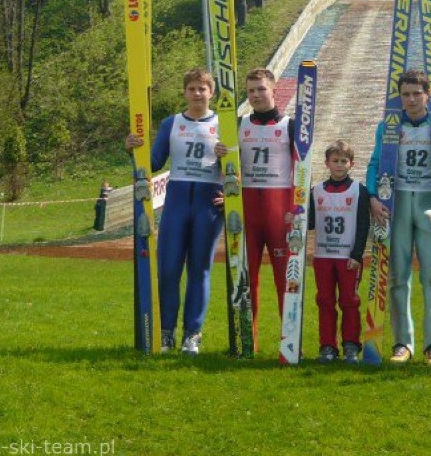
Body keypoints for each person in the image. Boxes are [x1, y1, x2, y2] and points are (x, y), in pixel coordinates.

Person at [366, 69, 431, 367]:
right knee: (397, 276)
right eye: (406, 94)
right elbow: (374, 163)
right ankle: (402, 343)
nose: (411, 99)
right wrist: (374, 196)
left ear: (428, 94)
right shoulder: (388, 126)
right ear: (400, 97)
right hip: (397, 203)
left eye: (417, 93)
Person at [125, 68, 224, 356]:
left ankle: (192, 334)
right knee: (168, 269)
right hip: (177, 201)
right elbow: (153, 161)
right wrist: (132, 149)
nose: (197, 94)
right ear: (185, 92)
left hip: (208, 204)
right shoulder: (171, 123)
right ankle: (166, 332)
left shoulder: (224, 124)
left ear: (211, 92)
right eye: (192, 88)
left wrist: (229, 169)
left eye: (202, 89)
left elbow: (236, 169)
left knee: (199, 270)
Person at [216, 68, 294, 352]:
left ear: (274, 90)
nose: (256, 95)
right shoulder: (238, 124)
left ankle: (290, 343)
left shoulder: (290, 125)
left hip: (279, 211)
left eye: (261, 89)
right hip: (246, 210)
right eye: (251, 91)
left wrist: (297, 209)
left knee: (285, 280)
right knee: (245, 279)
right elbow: (223, 167)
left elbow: (302, 169)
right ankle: (246, 342)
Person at [286, 140, 370, 364]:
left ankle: (351, 345)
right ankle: (327, 346)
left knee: (349, 300)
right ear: (327, 163)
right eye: (335, 161)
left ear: (351, 164)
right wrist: (295, 219)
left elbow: (363, 225)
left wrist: (357, 255)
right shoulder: (316, 191)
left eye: (344, 161)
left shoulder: (359, 190)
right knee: (324, 300)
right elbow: (310, 222)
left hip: (347, 257)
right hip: (323, 256)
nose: (339, 165)